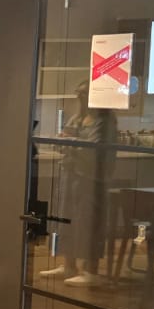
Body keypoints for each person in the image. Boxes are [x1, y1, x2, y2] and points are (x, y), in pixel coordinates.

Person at [38, 81, 108, 286]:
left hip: (89, 179)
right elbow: (65, 139)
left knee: (88, 222)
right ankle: (68, 265)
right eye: (78, 94)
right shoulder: (79, 117)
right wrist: (67, 141)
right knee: (65, 220)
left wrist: (71, 144)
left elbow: (94, 150)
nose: (80, 98)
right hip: (71, 175)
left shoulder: (103, 121)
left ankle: (90, 270)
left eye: (84, 94)